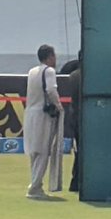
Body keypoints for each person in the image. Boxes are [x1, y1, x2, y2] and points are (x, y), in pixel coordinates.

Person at [23, 44, 63, 199]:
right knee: (43, 151)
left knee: (34, 151)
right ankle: (34, 187)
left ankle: (36, 184)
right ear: (50, 56)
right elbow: (51, 90)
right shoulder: (49, 71)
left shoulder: (32, 71)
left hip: (31, 113)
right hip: (42, 114)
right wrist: (59, 106)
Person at [61, 53, 82, 192]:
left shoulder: (73, 75)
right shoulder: (86, 75)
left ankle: (75, 180)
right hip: (83, 118)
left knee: (78, 150)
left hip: (75, 117)